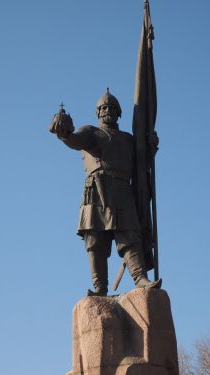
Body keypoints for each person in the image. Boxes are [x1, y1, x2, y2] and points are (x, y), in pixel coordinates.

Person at [50, 89, 161, 296]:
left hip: (122, 189)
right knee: (95, 242)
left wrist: (151, 147)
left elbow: (142, 163)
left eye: (111, 107)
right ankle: (100, 287)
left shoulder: (129, 139)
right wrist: (64, 132)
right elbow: (73, 140)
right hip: (96, 190)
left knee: (130, 237)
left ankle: (140, 279)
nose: (107, 110)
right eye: (103, 108)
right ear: (97, 113)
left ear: (119, 113)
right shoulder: (90, 132)